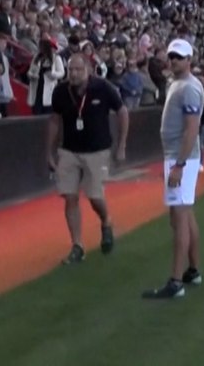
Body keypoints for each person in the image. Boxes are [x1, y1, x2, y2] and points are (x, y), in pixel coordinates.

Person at [48, 54, 129, 265]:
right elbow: (54, 121)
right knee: (70, 197)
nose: (73, 74)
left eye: (78, 69)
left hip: (98, 150)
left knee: (94, 197)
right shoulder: (60, 92)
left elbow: (122, 112)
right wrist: (49, 151)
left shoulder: (103, 88)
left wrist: (121, 145)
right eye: (70, 69)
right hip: (69, 150)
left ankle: (106, 220)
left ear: (88, 70)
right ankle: (77, 245)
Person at [141, 38, 204, 299]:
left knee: (178, 218)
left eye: (179, 56)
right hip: (180, 157)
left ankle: (176, 281)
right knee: (184, 215)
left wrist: (178, 164)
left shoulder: (188, 87)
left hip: (182, 158)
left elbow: (192, 129)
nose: (174, 60)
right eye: (172, 56)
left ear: (189, 59)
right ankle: (192, 270)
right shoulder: (178, 84)